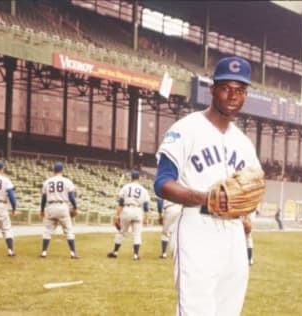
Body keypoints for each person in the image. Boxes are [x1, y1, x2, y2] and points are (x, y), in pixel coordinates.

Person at [153, 56, 261, 315]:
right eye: (226, 88)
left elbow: (253, 188)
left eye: (241, 90)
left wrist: (247, 213)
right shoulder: (186, 128)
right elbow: (162, 183)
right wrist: (205, 198)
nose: (233, 96)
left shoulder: (244, 144)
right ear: (212, 89)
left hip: (234, 232)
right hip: (197, 227)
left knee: (228, 311)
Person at [107, 170, 150, 260]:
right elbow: (146, 205)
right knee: (137, 234)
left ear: (131, 177)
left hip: (127, 209)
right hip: (138, 210)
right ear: (139, 178)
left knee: (122, 232)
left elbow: (121, 203)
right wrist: (146, 217)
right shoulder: (143, 189)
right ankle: (135, 255)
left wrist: (117, 215)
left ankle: (115, 252)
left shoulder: (126, 187)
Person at [40, 162, 79, 259]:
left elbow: (44, 198)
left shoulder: (47, 182)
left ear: (53, 170)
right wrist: (75, 207)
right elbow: (71, 196)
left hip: (50, 206)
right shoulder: (67, 181)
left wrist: (41, 210)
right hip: (62, 206)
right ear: (62, 170)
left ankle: (44, 252)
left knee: (47, 231)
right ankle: (73, 253)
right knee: (69, 231)